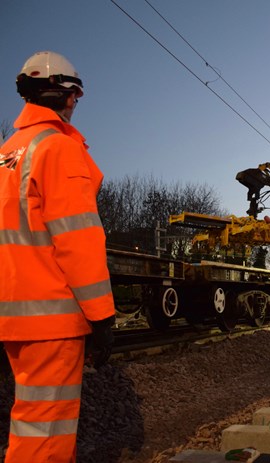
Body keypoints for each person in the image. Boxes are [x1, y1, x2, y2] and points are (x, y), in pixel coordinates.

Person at [0, 51, 116, 462]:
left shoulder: (8, 152)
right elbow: (77, 240)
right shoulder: (59, 149)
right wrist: (102, 315)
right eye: (77, 96)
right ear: (69, 95)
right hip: (51, 317)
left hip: (15, 315)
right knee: (46, 430)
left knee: (30, 417)